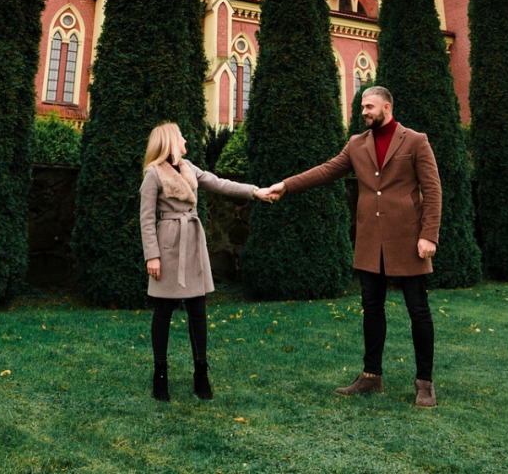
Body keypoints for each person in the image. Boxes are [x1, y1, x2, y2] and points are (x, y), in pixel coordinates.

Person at [262, 85, 442, 408]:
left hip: (408, 242)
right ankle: (372, 377)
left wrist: (429, 234)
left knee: (418, 311)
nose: (363, 112)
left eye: (369, 106)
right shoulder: (357, 145)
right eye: (362, 107)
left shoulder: (416, 141)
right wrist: (286, 186)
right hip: (371, 243)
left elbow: (433, 189)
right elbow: (326, 171)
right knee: (371, 310)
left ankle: (424, 383)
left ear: (387, 106)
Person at [139, 121, 264, 401]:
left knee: (198, 309)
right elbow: (146, 218)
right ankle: (160, 375)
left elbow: (220, 184)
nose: (186, 139)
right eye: (181, 136)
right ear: (171, 141)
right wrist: (153, 256)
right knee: (163, 311)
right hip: (168, 243)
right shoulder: (152, 174)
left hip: (194, 242)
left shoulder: (189, 167)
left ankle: (201, 373)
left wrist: (254, 191)